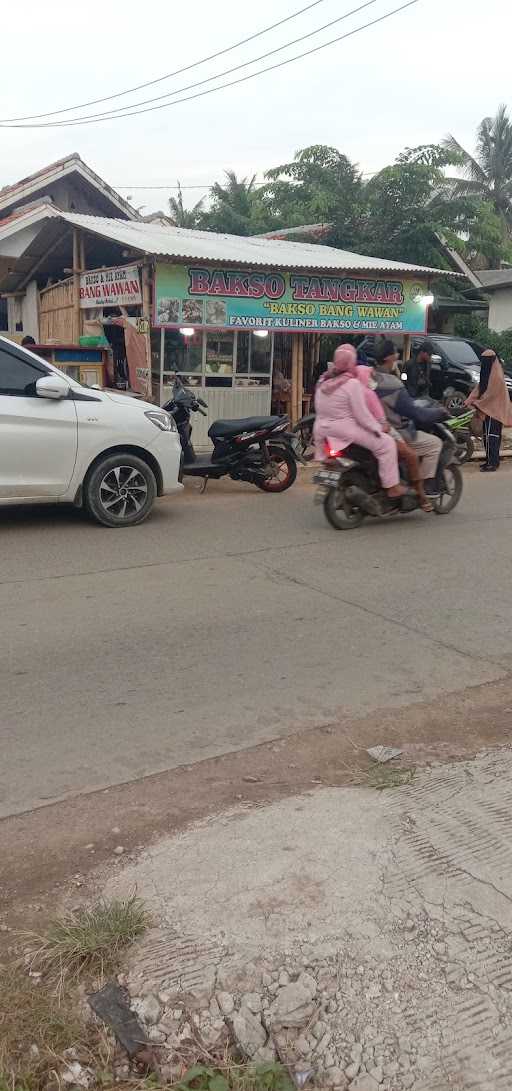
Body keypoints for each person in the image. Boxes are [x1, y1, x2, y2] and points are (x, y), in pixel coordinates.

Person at [314, 344, 405, 498]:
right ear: (352, 362)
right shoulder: (352, 384)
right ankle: (392, 487)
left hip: (321, 429)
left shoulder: (323, 381)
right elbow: (362, 415)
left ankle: (327, 459)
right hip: (346, 430)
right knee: (387, 444)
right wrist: (378, 428)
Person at [374, 339, 448, 500]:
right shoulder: (402, 372)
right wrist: (437, 413)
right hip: (401, 420)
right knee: (435, 444)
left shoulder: (370, 377)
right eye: (395, 353)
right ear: (388, 358)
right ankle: (422, 487)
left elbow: (426, 385)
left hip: (417, 401)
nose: (397, 355)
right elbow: (412, 405)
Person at [357, 364, 433, 512]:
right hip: (380, 432)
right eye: (370, 376)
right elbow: (383, 421)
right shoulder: (370, 395)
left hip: (358, 433)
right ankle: (421, 496)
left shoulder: (346, 392)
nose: (373, 379)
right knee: (411, 456)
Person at [466, 348, 512, 471]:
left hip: (495, 411)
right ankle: (490, 461)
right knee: (487, 436)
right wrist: (470, 399)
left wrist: (477, 402)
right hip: (489, 410)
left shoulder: (496, 377)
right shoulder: (488, 374)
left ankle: (492, 463)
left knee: (492, 437)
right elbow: (480, 388)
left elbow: (489, 395)